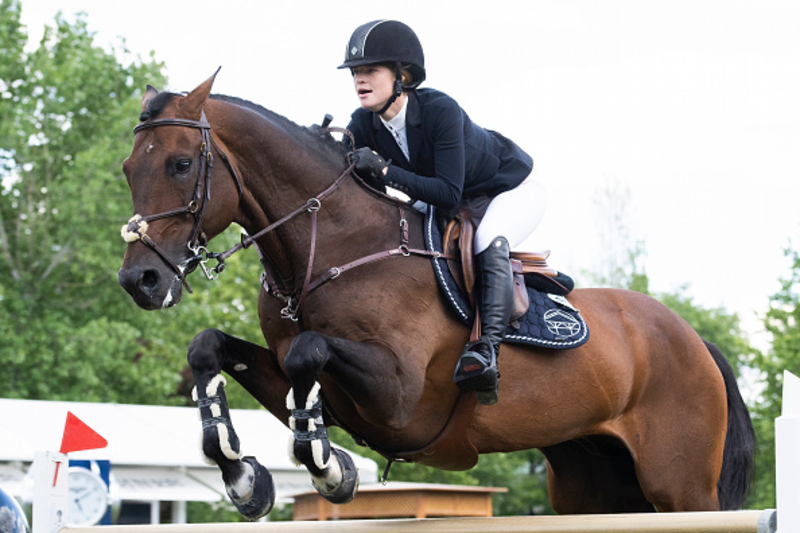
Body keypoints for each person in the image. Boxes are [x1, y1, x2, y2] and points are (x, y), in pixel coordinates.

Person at [339, 20, 547, 405]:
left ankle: (486, 351)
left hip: (506, 190)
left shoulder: (440, 110)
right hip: (445, 198)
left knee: (488, 240)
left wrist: (385, 172)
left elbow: (448, 194)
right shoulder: (363, 123)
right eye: (355, 72)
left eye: (370, 70)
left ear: (401, 76)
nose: (359, 80)